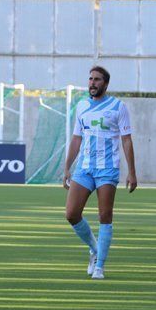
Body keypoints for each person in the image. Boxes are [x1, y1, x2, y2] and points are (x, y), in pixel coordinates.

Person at [63, 66, 138, 280]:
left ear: (105, 83)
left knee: (105, 216)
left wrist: (132, 172)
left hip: (108, 168)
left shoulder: (118, 107)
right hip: (84, 168)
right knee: (71, 214)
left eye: (97, 80)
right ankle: (95, 249)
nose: (92, 83)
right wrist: (67, 167)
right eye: (90, 79)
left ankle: (100, 266)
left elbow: (126, 140)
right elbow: (77, 138)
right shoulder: (81, 107)